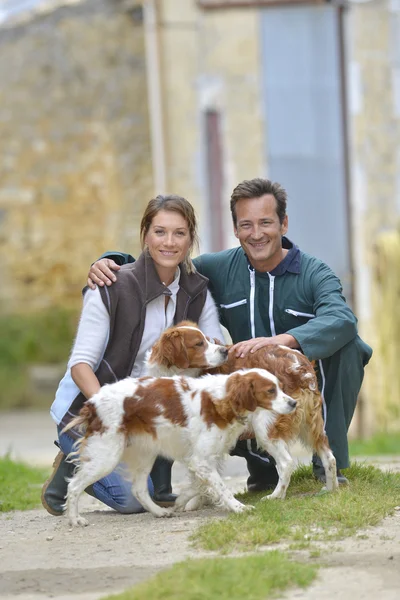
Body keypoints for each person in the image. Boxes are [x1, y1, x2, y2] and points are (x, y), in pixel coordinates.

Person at [87, 178, 373, 491]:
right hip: (239, 389)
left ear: (284, 223)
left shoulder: (315, 272)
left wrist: (283, 340)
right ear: (235, 229)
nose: (257, 233)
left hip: (299, 386)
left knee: (352, 346)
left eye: (266, 222)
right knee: (189, 356)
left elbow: (342, 319)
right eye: (246, 225)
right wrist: (113, 260)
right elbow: (165, 262)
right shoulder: (218, 267)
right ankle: (258, 465)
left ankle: (328, 463)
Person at [42, 194, 224, 517]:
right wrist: (117, 417)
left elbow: (214, 356)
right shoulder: (110, 286)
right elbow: (80, 367)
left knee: (152, 493)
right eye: (160, 232)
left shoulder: (197, 292)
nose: (169, 242)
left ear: (190, 239)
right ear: (145, 236)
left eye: (179, 233)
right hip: (90, 409)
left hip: (147, 415)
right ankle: (71, 463)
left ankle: (139, 470)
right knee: (130, 501)